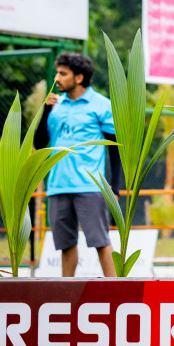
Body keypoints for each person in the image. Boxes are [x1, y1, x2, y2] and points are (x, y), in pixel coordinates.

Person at [34, 52, 119, 277]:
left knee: (101, 242)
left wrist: (116, 187)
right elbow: (39, 143)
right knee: (65, 245)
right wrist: (46, 111)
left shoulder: (101, 105)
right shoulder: (56, 105)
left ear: (79, 77)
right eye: (57, 72)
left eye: (63, 73)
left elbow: (115, 147)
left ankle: (117, 291)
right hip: (58, 185)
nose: (57, 78)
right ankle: (67, 293)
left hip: (89, 186)